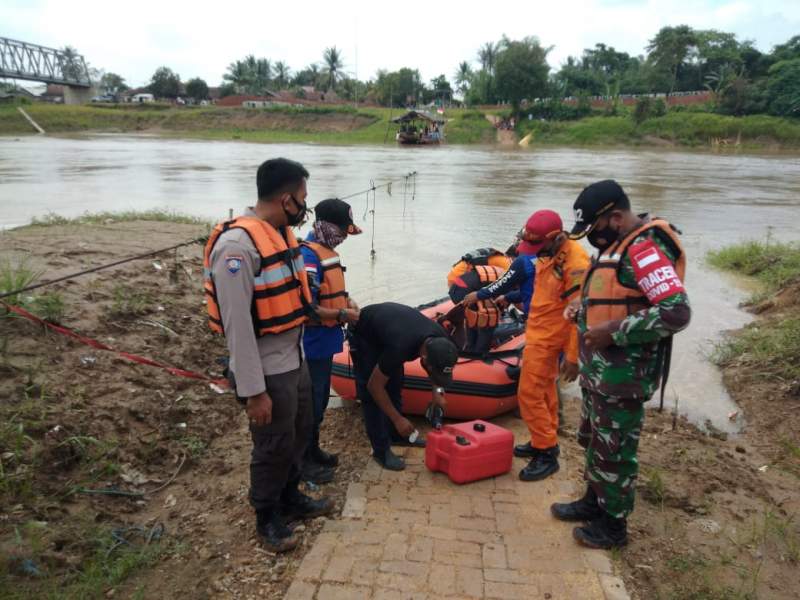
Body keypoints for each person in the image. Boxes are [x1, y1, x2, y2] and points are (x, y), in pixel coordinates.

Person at [551, 180, 691, 550]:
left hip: (623, 374)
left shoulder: (644, 250)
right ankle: (594, 502)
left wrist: (614, 331)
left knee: (615, 450)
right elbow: (618, 294)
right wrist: (581, 309)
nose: (591, 240)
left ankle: (613, 526)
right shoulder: (617, 246)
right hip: (599, 372)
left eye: (594, 231)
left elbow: (676, 312)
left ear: (615, 217)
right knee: (595, 440)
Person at [203, 158, 333, 553]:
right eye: (303, 199)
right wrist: (253, 390)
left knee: (297, 432)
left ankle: (290, 496)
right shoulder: (236, 248)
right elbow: (237, 326)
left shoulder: (280, 235)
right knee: (272, 443)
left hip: (294, 357)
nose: (305, 207)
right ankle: (266, 515)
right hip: (266, 366)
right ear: (286, 198)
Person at [491, 210, 589, 482]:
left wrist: (572, 356)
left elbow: (579, 313)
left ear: (556, 238)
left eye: (538, 246)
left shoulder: (575, 264)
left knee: (529, 395)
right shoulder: (550, 253)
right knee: (545, 393)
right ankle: (542, 440)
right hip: (538, 334)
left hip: (551, 340)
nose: (534, 252)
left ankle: (546, 453)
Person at [350, 302, 459, 471]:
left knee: (395, 383)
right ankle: (380, 450)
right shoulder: (401, 346)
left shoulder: (441, 339)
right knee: (372, 395)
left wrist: (438, 392)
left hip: (390, 331)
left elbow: (432, 368)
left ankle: (396, 435)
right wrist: (398, 419)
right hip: (366, 336)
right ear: (424, 356)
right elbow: (374, 386)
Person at [299, 198, 361, 484]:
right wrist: (342, 314)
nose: (346, 238)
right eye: (343, 232)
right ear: (327, 227)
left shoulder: (326, 252)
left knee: (320, 401)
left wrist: (346, 301)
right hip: (310, 347)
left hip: (325, 345)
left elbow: (329, 291)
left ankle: (313, 450)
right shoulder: (309, 257)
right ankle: (302, 462)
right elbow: (306, 309)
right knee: (309, 405)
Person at [462, 231, 536, 320]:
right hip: (465, 276)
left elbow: (504, 283)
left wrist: (479, 295)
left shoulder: (522, 262)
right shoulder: (546, 261)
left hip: (462, 276)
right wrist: (507, 297)